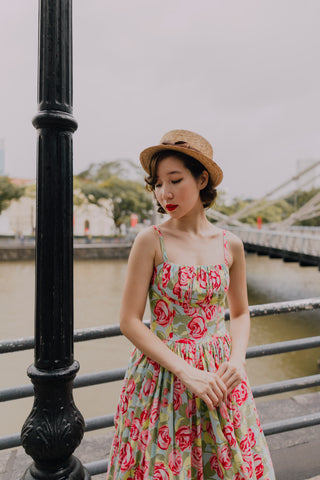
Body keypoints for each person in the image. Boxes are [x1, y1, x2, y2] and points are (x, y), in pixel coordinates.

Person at [106, 129, 275, 480]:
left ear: (201, 180)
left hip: (220, 377)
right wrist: (185, 371)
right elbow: (129, 321)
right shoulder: (150, 241)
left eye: (175, 180)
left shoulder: (231, 245)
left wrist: (237, 361)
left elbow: (240, 312)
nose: (164, 193)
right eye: (157, 183)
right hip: (163, 378)